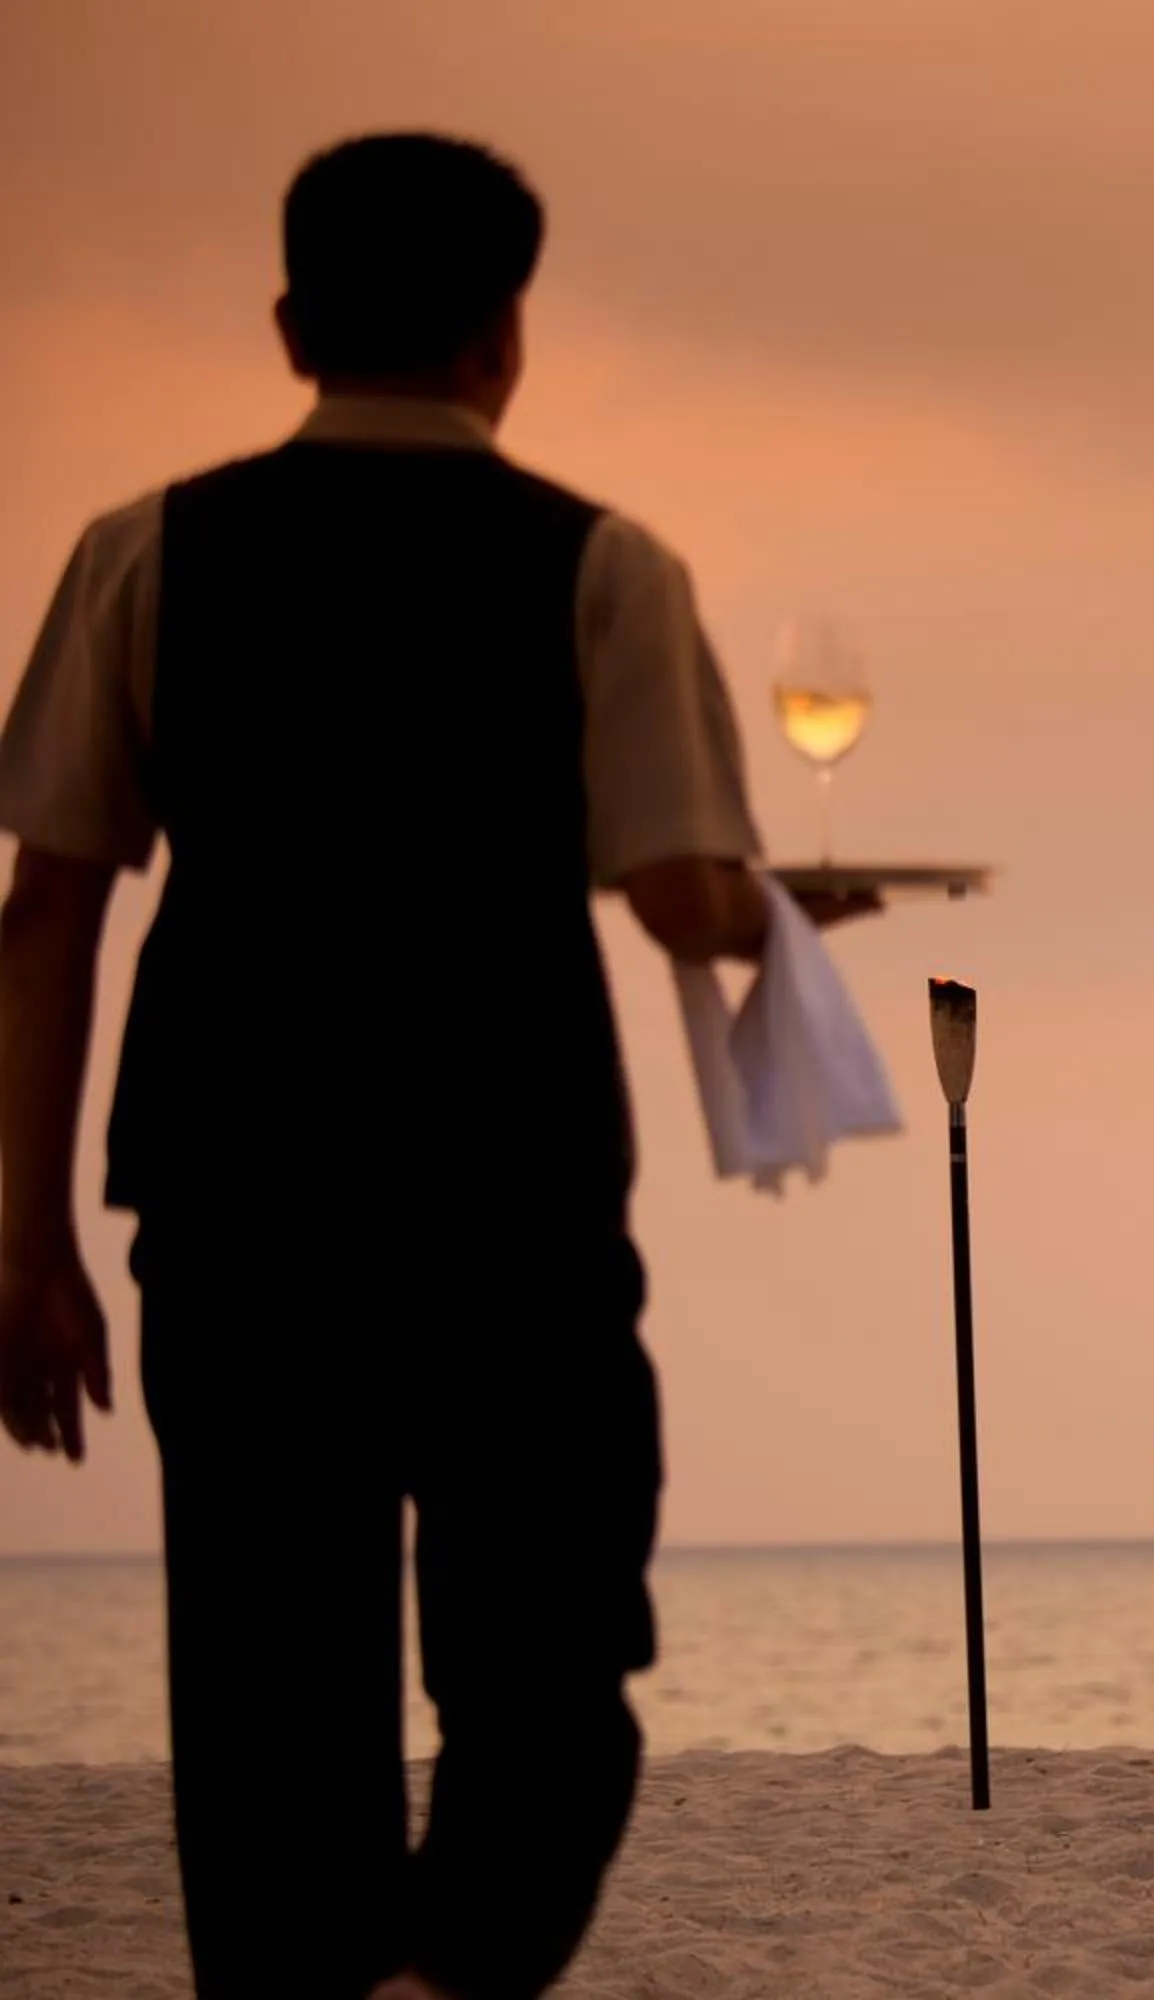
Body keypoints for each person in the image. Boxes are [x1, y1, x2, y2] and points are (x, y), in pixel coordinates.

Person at [0, 132, 868, 1998]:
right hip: (516, 1206)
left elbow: (46, 915)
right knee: (555, 1669)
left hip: (234, 1213)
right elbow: (678, 896)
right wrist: (798, 913)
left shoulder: (142, 551)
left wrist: (25, 1243)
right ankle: (453, 1975)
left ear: (294, 324)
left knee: (265, 1707)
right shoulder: (604, 569)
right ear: (507, 339)